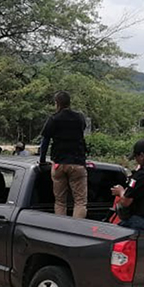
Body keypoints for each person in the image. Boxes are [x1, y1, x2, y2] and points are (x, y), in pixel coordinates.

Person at [39, 90, 88, 218]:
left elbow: (45, 141)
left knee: (60, 201)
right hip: (77, 163)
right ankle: (76, 229)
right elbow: (82, 130)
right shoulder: (79, 117)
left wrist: (42, 160)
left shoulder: (54, 119)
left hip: (59, 163)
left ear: (57, 103)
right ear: (69, 102)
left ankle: (60, 228)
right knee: (80, 201)